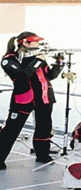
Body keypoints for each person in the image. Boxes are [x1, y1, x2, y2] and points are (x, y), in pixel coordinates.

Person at [0, 31, 64, 169]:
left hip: (44, 97)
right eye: (35, 40)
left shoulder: (37, 58)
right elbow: (23, 75)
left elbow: (50, 75)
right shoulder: (9, 59)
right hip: (23, 99)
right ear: (24, 42)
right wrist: (38, 60)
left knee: (44, 128)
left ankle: (42, 155)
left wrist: (59, 62)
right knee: (11, 129)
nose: (38, 43)